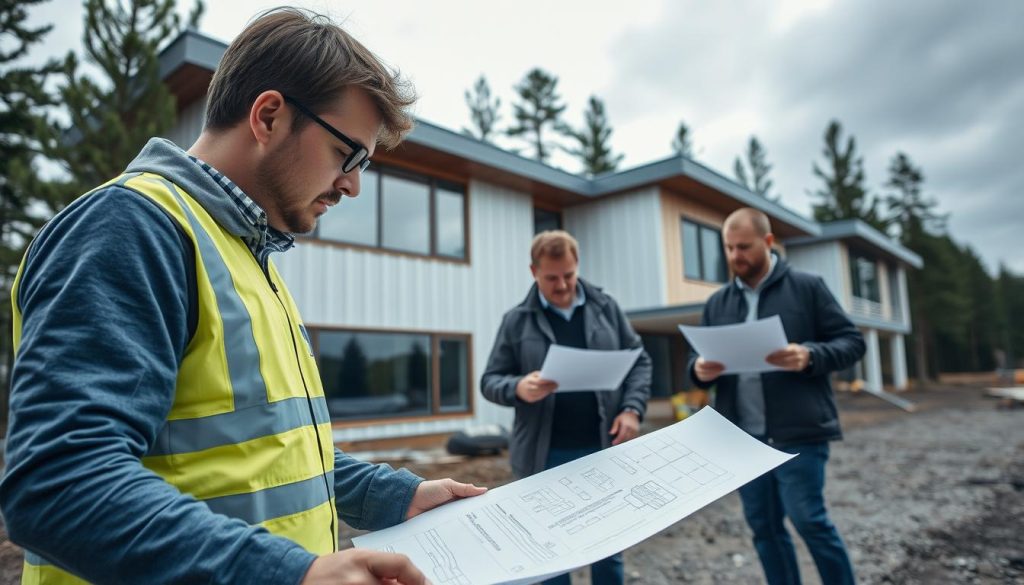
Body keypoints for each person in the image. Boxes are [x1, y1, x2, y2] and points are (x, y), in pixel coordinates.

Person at [0, 9, 486, 585]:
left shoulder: (242, 254)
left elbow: (264, 456)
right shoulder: (130, 228)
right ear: (270, 116)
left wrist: (394, 496)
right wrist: (291, 575)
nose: (353, 184)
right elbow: (59, 482)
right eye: (347, 155)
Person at [689, 208, 865, 585]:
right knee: (764, 530)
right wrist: (698, 370)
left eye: (744, 247)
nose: (735, 256)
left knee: (810, 522)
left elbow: (852, 342)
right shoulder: (717, 303)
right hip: (741, 440)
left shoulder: (808, 287)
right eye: (729, 248)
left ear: (768, 243)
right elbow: (698, 358)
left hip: (799, 433)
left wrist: (810, 355)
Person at [481, 230, 652, 585]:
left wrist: (632, 410)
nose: (562, 286)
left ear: (577, 266)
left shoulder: (606, 308)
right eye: (551, 278)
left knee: (608, 549)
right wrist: (519, 388)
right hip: (544, 457)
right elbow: (490, 381)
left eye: (569, 275)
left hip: (604, 450)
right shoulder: (516, 320)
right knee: (550, 555)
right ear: (533, 271)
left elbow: (640, 362)